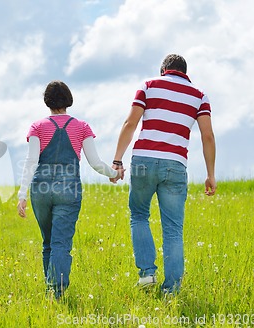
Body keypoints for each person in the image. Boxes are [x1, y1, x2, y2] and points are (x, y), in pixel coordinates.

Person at [112, 54, 217, 294]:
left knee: (139, 215)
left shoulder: (148, 86)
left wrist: (117, 160)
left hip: (144, 161)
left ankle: (147, 274)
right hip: (175, 165)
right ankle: (171, 289)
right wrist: (211, 174)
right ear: (185, 72)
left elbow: (130, 123)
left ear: (164, 70)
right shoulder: (199, 96)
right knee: (173, 229)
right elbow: (207, 136)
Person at [17, 81, 124, 299]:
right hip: (68, 190)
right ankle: (56, 292)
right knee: (60, 244)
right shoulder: (81, 127)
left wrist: (22, 195)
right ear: (68, 99)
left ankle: (51, 291)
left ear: (47, 101)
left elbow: (31, 161)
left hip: (41, 190)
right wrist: (114, 173)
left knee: (48, 242)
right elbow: (95, 162)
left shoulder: (37, 126)